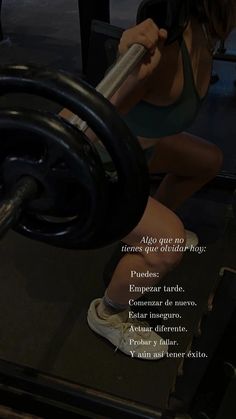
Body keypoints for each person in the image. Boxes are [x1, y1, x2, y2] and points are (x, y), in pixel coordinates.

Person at [62, 0, 236, 359]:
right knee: (169, 245)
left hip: (138, 149)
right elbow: (78, 122)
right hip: (100, 171)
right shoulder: (165, 54)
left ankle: (145, 234)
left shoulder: (200, 31)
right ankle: (109, 312)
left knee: (208, 161)